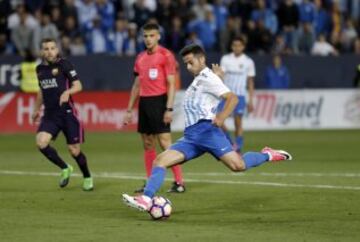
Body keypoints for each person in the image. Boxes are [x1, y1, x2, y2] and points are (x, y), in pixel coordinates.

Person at [122, 44, 292, 212]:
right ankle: (146, 199)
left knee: (238, 166)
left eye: (191, 62)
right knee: (160, 160)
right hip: (191, 137)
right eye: (186, 64)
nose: (188, 67)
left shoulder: (209, 78)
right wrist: (217, 77)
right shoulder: (202, 79)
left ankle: (267, 154)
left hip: (207, 132)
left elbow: (232, 98)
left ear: (201, 59)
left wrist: (221, 117)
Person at [123, 23, 185, 193]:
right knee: (148, 144)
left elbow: (172, 84)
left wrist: (169, 108)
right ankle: (151, 182)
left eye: (152, 36)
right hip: (144, 103)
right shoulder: (140, 57)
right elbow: (136, 85)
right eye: (145, 36)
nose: (148, 39)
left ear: (158, 36)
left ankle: (179, 182)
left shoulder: (166, 55)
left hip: (160, 102)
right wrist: (129, 110)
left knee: (166, 144)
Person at [32, 38, 93, 191]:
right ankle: (65, 168)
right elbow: (41, 91)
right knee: (41, 142)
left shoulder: (64, 64)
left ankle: (87, 176)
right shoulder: (39, 69)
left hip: (67, 114)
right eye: (46, 48)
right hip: (50, 115)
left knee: (74, 150)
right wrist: (35, 109)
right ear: (42, 52)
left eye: (52, 48)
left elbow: (78, 85)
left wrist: (68, 91)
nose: (50, 51)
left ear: (57, 50)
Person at [217, 36, 255, 153]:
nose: (236, 48)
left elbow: (250, 81)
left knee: (238, 123)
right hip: (226, 95)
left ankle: (237, 147)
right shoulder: (226, 59)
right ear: (232, 46)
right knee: (218, 120)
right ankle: (231, 142)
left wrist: (251, 100)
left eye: (239, 45)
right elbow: (220, 76)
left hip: (240, 96)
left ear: (243, 47)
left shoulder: (248, 61)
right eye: (234, 45)